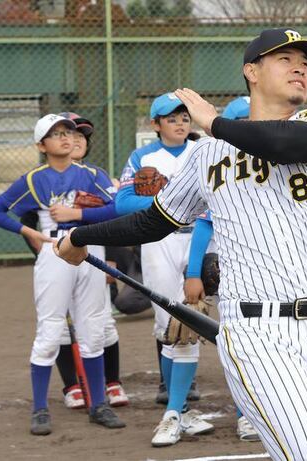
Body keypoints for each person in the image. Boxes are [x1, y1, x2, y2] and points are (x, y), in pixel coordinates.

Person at [55, 28, 307, 460]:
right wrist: (81, 236)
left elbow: (280, 143)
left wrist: (213, 121)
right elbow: (153, 222)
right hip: (257, 333)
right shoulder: (207, 154)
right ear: (251, 72)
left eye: (306, 64)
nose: (300, 69)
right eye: (285, 59)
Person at [0, 114, 125, 435]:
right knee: (50, 332)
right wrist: (28, 232)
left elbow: (118, 208)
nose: (65, 138)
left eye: (68, 132)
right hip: (53, 251)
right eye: (56, 134)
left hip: (89, 248)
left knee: (92, 331)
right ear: (41, 145)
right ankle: (40, 409)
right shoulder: (33, 180)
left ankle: (98, 404)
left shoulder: (91, 174)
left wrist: (80, 213)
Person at [115, 92, 212, 446]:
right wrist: (164, 200)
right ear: (155, 125)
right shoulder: (143, 157)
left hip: (202, 237)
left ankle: (179, 409)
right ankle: (179, 408)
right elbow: (122, 202)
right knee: (169, 325)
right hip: (160, 240)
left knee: (195, 320)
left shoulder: (203, 150)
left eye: (184, 117)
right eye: (171, 118)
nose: (180, 122)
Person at [17, 112, 128, 409]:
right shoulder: (40, 181)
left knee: (100, 324)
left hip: (94, 254)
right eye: (67, 133)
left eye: (80, 135)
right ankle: (70, 384)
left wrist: (113, 259)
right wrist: (44, 252)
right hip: (55, 257)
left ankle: (110, 383)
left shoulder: (96, 177)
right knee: (59, 326)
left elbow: (116, 216)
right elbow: (29, 224)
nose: (74, 139)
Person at [182, 96, 261, 443]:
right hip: (238, 278)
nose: (248, 125)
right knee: (242, 351)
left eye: (251, 119)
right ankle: (246, 415)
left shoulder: (281, 159)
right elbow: (203, 225)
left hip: (279, 277)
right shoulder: (223, 168)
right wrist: (192, 272)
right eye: (239, 121)